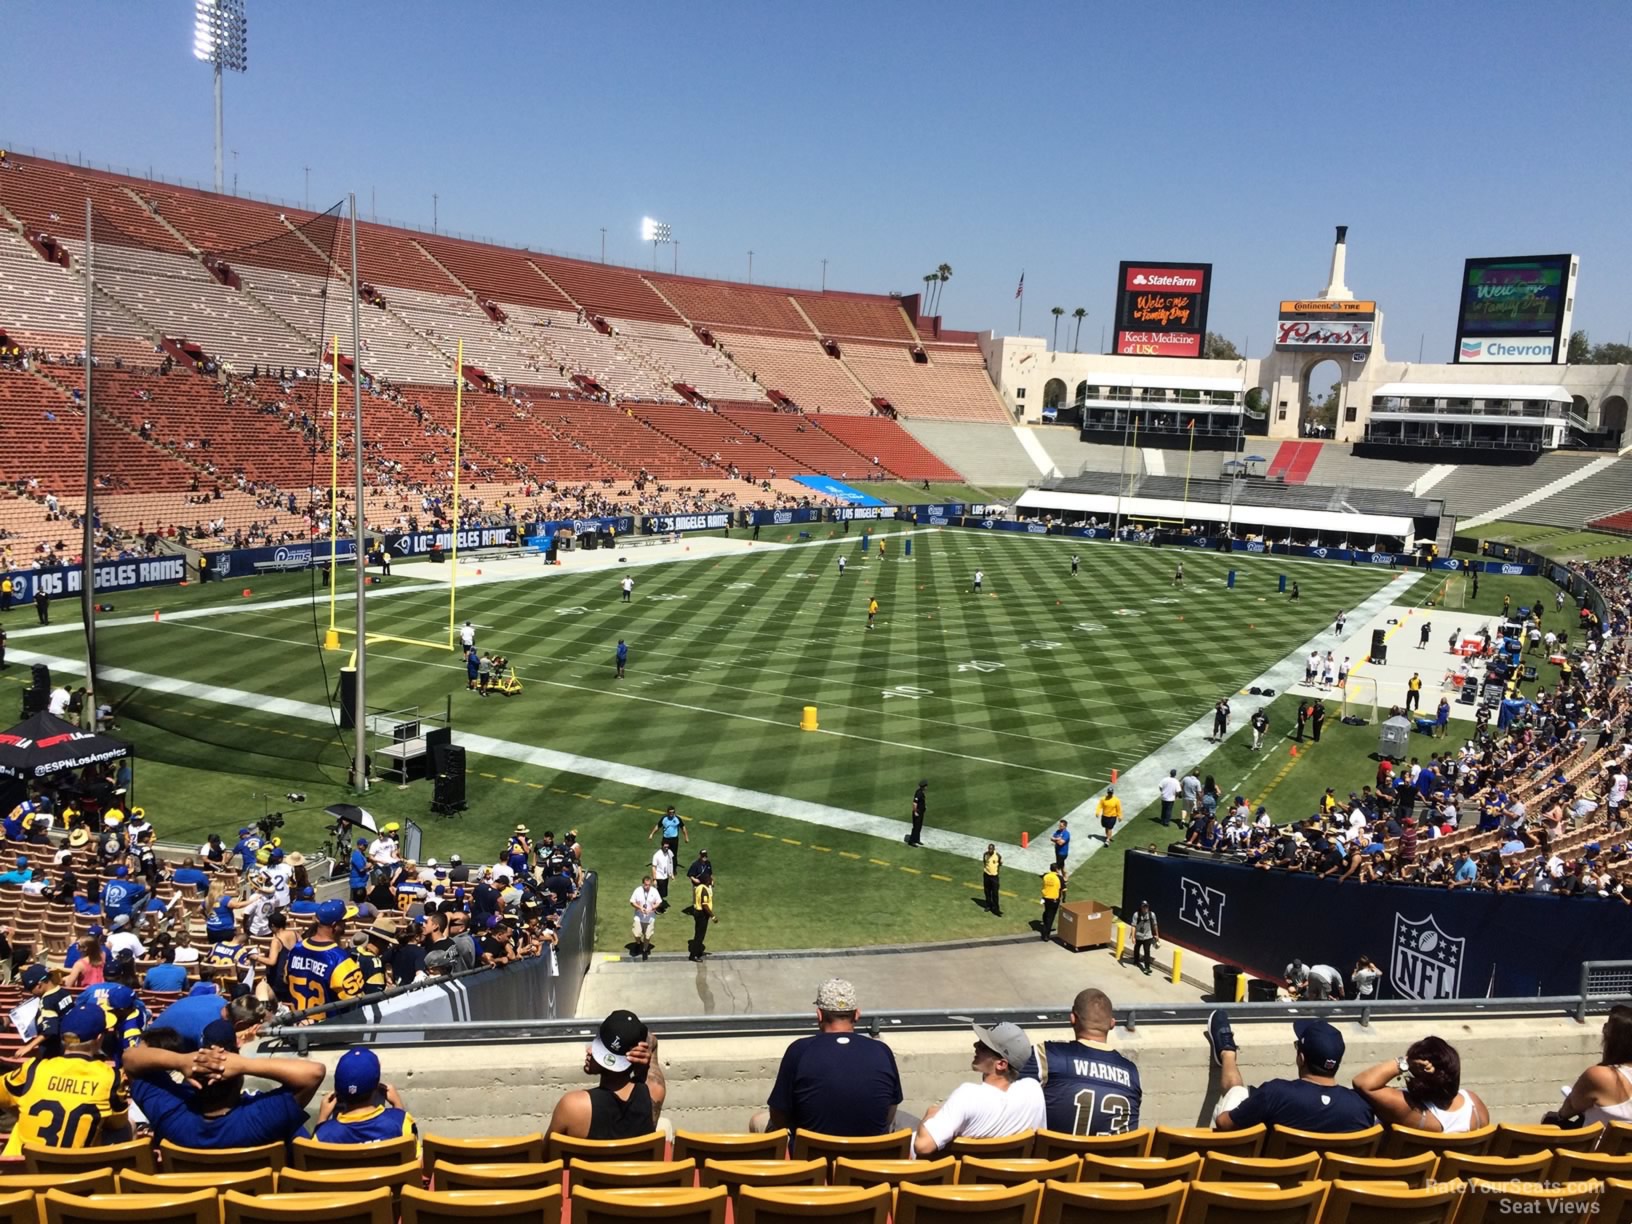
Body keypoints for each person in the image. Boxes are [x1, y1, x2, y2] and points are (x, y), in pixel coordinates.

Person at [125, 1019, 325, 1149]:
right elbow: (314, 1073)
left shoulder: (172, 1115)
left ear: (193, 1083)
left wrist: (181, 1061)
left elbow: (130, 1059)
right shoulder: (262, 1117)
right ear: (239, 1080)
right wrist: (245, 1064)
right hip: (255, 1209)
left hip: (193, 1210)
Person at [755, 979, 902, 1135]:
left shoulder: (799, 1050)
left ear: (819, 1015)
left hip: (813, 1157)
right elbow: (889, 1114)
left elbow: (778, 1115)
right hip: (870, 1155)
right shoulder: (882, 1050)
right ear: (857, 1014)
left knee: (757, 1121)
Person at [1206, 1012, 1375, 1132]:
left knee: (1238, 1092)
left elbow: (1224, 1124)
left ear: (1301, 1057)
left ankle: (1227, 1053)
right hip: (1325, 1182)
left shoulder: (1276, 1093)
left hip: (1264, 1177)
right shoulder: (1361, 1108)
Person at [0, 1004, 127, 1155]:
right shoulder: (111, 1078)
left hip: (18, 1172)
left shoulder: (33, 1068)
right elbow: (118, 1123)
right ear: (99, 1039)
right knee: (125, 1128)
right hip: (75, 1175)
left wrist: (18, 1112)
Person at [1021, 988, 1142, 1135]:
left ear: (1072, 1018)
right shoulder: (1132, 1073)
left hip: (1058, 1156)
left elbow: (1005, 1095)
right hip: (1106, 1157)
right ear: (1112, 1024)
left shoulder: (1047, 1055)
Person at [914, 1021, 1045, 1155]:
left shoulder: (967, 1095)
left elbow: (922, 1145)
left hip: (961, 1174)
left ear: (1001, 1064)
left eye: (983, 1047)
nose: (975, 1045)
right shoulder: (1033, 1090)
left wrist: (930, 1114)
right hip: (1010, 1174)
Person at [545, 1009, 665, 1151]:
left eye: (597, 1048)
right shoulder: (655, 1092)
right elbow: (652, 1041)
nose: (589, 1050)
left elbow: (545, 1156)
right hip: (632, 1172)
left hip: (586, 1174)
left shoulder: (572, 1106)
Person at [1352, 1036, 1489, 1133]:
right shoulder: (1475, 1106)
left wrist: (1406, 1062)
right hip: (1451, 1174)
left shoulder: (1407, 1109)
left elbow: (1363, 1083)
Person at [1548, 1004, 1632, 1126]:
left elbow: (1573, 1106)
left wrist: (1560, 1116)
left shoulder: (1601, 1076)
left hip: (1600, 1144)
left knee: (1550, 1121)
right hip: (1624, 1143)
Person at [313, 1046, 418, 1143]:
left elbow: (313, 1152)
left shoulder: (323, 1135)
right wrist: (398, 1107)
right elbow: (412, 1154)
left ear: (337, 1092)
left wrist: (322, 1120)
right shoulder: (400, 1122)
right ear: (377, 1087)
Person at [284, 900, 364, 1013]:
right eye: (344, 921)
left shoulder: (295, 950)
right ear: (335, 926)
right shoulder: (340, 959)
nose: (345, 924)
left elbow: (285, 979)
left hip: (298, 1024)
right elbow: (356, 1000)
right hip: (326, 1026)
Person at [629, 873, 661, 960]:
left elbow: (658, 902)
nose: (647, 887)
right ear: (643, 884)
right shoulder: (638, 890)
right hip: (639, 917)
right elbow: (632, 902)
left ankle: (645, 950)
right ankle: (638, 943)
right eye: (646, 885)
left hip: (650, 917)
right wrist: (639, 908)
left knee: (648, 935)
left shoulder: (654, 891)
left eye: (649, 885)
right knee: (636, 933)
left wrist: (653, 908)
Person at [1126, 901, 1159, 975]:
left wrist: (1157, 935)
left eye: (1146, 906)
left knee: (1147, 951)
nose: (1145, 908)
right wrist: (1133, 937)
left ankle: (1147, 967)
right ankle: (1136, 960)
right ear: (1141, 907)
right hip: (1138, 936)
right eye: (1144, 907)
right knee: (1137, 948)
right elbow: (1133, 926)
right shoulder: (1136, 915)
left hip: (1148, 936)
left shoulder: (1152, 915)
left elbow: (1155, 925)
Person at [689, 871, 715, 962]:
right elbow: (705, 905)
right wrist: (712, 916)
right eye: (710, 879)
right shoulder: (704, 889)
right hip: (702, 914)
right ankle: (694, 955)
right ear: (707, 880)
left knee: (698, 934)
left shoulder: (699, 887)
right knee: (700, 935)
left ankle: (698, 951)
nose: (711, 879)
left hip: (697, 912)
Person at [650, 841, 676, 914]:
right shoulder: (657, 855)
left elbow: (670, 863)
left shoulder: (669, 853)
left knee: (663, 893)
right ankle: (657, 908)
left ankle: (659, 906)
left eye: (667, 847)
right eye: (665, 847)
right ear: (662, 846)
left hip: (665, 876)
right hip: (659, 877)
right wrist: (654, 879)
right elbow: (654, 867)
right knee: (659, 894)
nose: (666, 848)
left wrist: (671, 874)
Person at [1039, 865, 1063, 943]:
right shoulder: (1059, 877)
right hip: (1054, 899)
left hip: (1046, 898)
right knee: (1051, 917)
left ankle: (1045, 925)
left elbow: (1042, 876)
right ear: (1056, 869)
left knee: (1047, 912)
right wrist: (1064, 899)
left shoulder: (1046, 876)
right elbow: (1064, 889)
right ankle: (1046, 934)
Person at [981, 843, 1003, 916]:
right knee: (987, 891)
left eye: (991, 849)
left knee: (995, 893)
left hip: (994, 877)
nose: (990, 850)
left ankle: (996, 909)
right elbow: (985, 863)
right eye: (989, 849)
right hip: (986, 875)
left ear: (994, 849)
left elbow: (1000, 864)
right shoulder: (985, 855)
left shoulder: (998, 856)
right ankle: (988, 905)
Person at [905, 780, 927, 847]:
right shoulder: (919, 793)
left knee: (919, 827)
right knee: (916, 827)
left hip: (921, 813)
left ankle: (917, 839)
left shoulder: (921, 792)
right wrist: (915, 812)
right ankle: (911, 841)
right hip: (917, 813)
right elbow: (914, 803)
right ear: (924, 786)